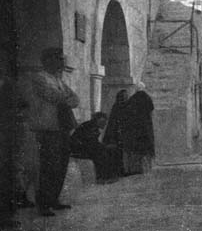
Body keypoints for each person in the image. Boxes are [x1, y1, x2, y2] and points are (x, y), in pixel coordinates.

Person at [26, 48, 79, 217]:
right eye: (59, 59)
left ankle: (53, 199)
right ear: (48, 60)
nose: (62, 62)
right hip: (48, 128)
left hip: (61, 127)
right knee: (49, 166)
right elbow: (56, 97)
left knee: (61, 165)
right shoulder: (40, 78)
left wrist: (67, 99)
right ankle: (44, 203)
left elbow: (75, 99)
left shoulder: (57, 79)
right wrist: (66, 99)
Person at [0, 74, 26, 228]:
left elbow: (22, 106)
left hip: (7, 138)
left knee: (7, 176)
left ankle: (5, 216)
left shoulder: (8, 85)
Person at [70, 112, 119, 184]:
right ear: (98, 120)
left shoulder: (90, 125)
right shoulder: (90, 127)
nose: (105, 124)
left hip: (80, 148)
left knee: (103, 152)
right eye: (103, 122)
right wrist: (105, 146)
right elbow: (91, 143)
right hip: (79, 149)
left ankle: (105, 177)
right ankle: (104, 177)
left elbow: (92, 143)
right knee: (102, 154)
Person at [122, 82, 155, 175]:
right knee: (147, 148)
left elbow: (128, 113)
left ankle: (137, 168)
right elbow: (151, 111)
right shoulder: (147, 98)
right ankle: (148, 168)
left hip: (136, 127)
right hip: (146, 126)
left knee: (137, 149)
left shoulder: (132, 99)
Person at [103, 89, 129, 177]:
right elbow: (112, 122)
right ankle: (117, 171)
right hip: (116, 133)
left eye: (126, 97)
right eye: (123, 97)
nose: (125, 98)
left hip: (123, 133)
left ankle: (123, 170)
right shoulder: (117, 107)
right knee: (117, 152)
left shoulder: (126, 106)